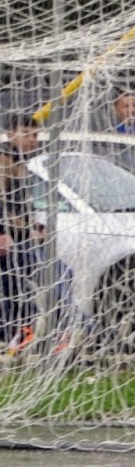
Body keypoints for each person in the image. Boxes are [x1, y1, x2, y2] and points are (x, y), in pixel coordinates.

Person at [0, 114, 43, 352]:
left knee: (57, 275)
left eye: (35, 135)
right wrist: (2, 231)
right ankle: (19, 335)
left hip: (21, 237)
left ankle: (22, 334)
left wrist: (34, 226)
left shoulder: (21, 163)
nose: (31, 140)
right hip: (11, 239)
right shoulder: (4, 161)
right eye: (25, 134)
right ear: (10, 134)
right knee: (17, 285)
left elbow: (21, 204)